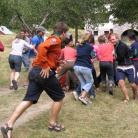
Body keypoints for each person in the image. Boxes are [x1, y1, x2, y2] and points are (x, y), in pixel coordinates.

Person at [1, 22, 69, 138]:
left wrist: (58, 63)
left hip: (34, 72)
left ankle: (8, 125)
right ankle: (52, 124)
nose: (66, 35)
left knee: (29, 99)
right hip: (42, 72)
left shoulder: (54, 41)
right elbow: (42, 47)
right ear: (62, 32)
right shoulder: (55, 39)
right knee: (59, 97)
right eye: (66, 33)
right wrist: (45, 66)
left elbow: (49, 56)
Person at [110, 33, 137, 103]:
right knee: (121, 82)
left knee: (132, 84)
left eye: (113, 39)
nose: (112, 41)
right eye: (111, 40)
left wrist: (112, 57)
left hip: (129, 66)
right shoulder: (115, 45)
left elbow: (120, 57)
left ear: (117, 38)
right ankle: (127, 98)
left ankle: (135, 93)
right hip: (120, 67)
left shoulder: (122, 45)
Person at [73, 31, 94, 105]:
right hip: (85, 66)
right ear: (89, 39)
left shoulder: (78, 46)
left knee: (83, 83)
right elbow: (93, 56)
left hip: (76, 66)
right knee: (90, 82)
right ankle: (82, 96)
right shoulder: (90, 47)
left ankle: (85, 98)